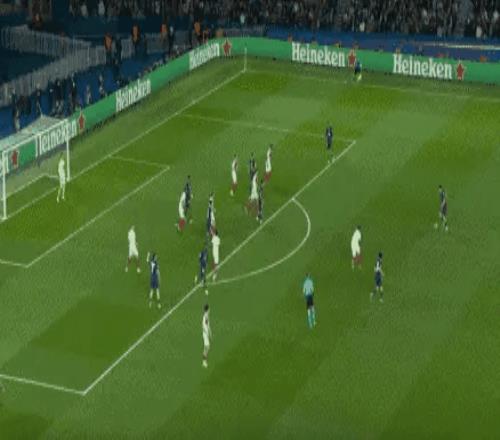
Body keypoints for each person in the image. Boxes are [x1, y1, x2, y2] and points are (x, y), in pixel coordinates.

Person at [202, 304, 211, 368]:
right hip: (205, 334)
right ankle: (204, 362)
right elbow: (203, 326)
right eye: (209, 309)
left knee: (206, 347)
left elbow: (207, 325)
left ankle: (204, 361)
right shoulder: (205, 316)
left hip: (206, 334)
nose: (210, 310)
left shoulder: (206, 316)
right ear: (207, 309)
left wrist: (210, 332)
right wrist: (207, 333)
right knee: (207, 348)